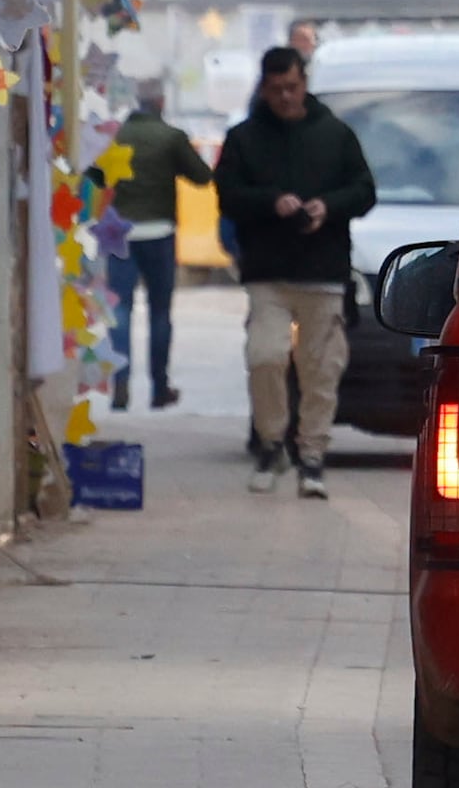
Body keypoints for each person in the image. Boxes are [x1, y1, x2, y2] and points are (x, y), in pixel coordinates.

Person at [215, 41, 377, 499]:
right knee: (264, 357)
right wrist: (272, 201)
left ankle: (312, 455)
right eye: (275, 89)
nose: (285, 97)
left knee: (321, 370)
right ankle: (271, 442)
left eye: (292, 87)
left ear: (304, 84)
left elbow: (364, 190)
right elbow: (226, 194)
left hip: (323, 273)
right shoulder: (245, 139)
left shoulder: (336, 135)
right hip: (268, 273)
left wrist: (329, 207)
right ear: (263, 90)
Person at [103, 81, 218, 412]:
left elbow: (97, 177)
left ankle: (120, 384)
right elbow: (201, 176)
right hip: (160, 232)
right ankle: (159, 386)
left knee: (121, 310)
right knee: (160, 312)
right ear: (162, 101)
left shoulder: (116, 136)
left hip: (120, 233)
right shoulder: (172, 137)